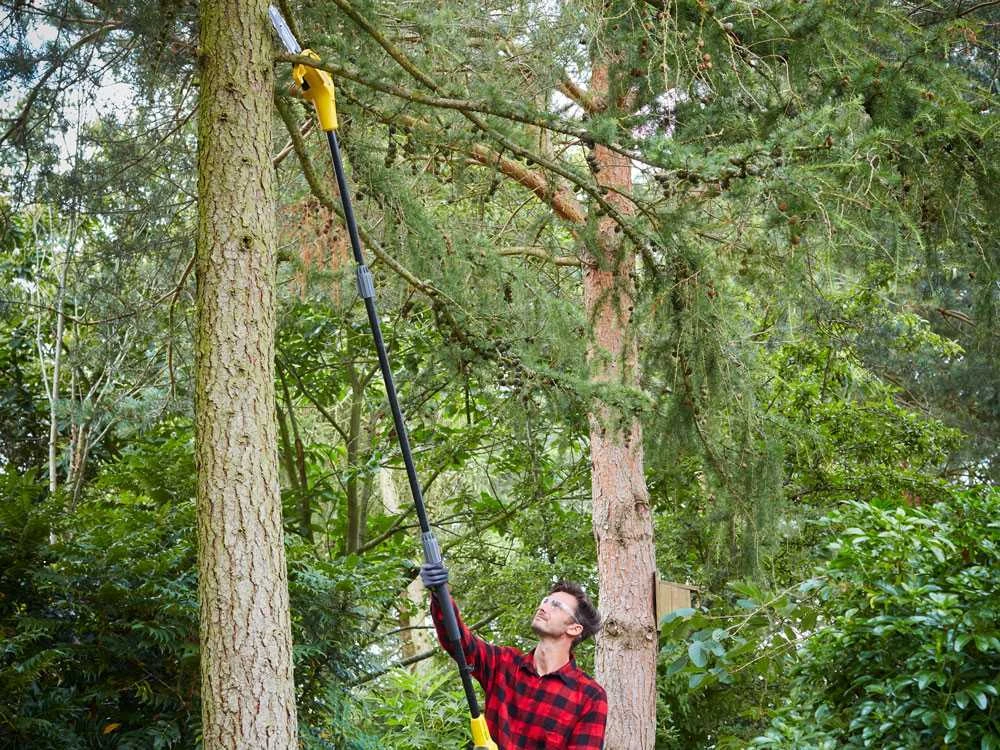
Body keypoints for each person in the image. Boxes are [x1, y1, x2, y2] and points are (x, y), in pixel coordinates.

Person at [420, 561, 607, 749]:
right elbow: (460, 643)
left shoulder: (589, 696)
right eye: (545, 600)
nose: (543, 607)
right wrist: (440, 594)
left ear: (574, 629)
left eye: (556, 605)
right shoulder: (504, 663)